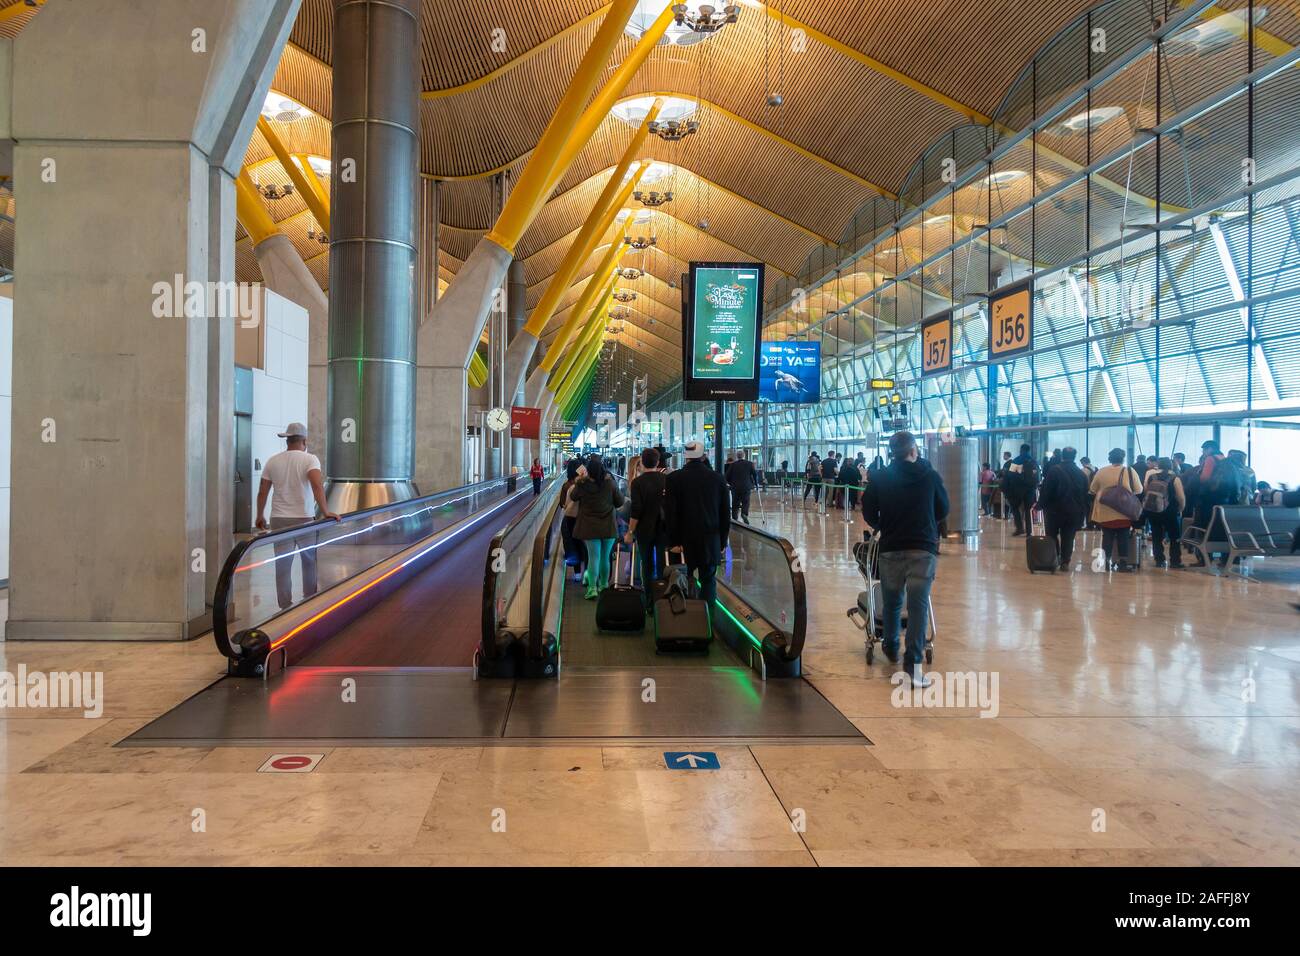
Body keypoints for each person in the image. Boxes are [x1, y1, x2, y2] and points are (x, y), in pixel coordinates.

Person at [860, 431, 949, 687]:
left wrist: (881, 524)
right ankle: (913, 666)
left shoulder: (881, 477)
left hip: (891, 546)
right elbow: (944, 509)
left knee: (892, 600)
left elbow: (867, 509)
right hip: (923, 548)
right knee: (919, 606)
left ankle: (890, 646)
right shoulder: (930, 476)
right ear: (913, 451)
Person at [255, 422, 340, 610]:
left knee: (283, 564)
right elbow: (317, 485)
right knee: (309, 560)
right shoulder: (310, 460)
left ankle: (285, 606)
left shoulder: (273, 460)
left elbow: (262, 491)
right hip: (304, 518)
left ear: (287, 440)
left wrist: (259, 515)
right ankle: (309, 602)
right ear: (304, 441)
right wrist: (326, 512)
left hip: (279, 518)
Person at [662, 440, 731, 605]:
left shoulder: (673, 479)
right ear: (703, 456)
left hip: (683, 541)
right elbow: (725, 514)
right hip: (710, 538)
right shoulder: (717, 479)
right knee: (708, 579)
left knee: (682, 576)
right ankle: (707, 619)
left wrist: (673, 541)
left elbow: (670, 513)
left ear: (685, 456)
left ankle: (683, 616)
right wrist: (722, 541)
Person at [570, 454, 623, 599]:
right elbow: (619, 502)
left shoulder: (582, 484)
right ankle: (604, 585)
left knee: (594, 557)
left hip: (589, 527)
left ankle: (592, 589)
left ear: (588, 471)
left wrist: (579, 479)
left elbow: (573, 497)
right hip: (608, 526)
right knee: (605, 557)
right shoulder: (610, 484)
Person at [624, 447, 670, 609]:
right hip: (663, 529)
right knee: (662, 565)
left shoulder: (638, 482)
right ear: (657, 462)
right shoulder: (666, 480)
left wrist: (630, 531)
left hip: (644, 530)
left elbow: (636, 510)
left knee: (647, 564)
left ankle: (649, 601)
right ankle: (663, 599)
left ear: (642, 462)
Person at [1089, 448, 1142, 572]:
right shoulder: (1129, 471)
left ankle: (1107, 562)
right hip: (1124, 510)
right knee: (1123, 536)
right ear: (1123, 458)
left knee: (1107, 536)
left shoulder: (1101, 472)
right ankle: (1123, 563)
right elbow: (1139, 489)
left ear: (1110, 458)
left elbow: (1093, 488)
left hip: (1105, 511)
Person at [1038, 446, 1089, 570]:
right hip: (1073, 511)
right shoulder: (1081, 474)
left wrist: (1040, 504)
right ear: (1075, 457)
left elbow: (1046, 490)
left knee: (1051, 534)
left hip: (1054, 510)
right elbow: (1085, 495)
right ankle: (1065, 561)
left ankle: (1054, 557)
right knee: (1068, 536)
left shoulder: (1054, 470)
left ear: (1062, 456)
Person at [1142, 456, 1186, 568]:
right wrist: (1181, 509)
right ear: (1170, 465)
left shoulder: (1152, 476)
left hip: (1153, 510)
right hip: (1170, 511)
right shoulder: (1175, 478)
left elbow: (1146, 490)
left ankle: (1159, 560)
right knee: (1174, 536)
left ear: (1159, 465)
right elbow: (1180, 497)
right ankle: (1175, 561)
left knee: (1156, 535)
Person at [559, 458, 587, 582]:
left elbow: (562, 504)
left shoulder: (567, 486)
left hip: (571, 518)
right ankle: (587, 572)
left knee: (573, 543)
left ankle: (577, 573)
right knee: (585, 545)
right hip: (585, 518)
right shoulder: (586, 485)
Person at [1002, 443, 1039, 536]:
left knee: (1015, 508)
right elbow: (1037, 476)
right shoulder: (1034, 461)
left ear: (1021, 450)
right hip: (1030, 490)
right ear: (1029, 450)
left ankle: (1019, 528)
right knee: (1028, 509)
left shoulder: (1017, 460)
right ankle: (1029, 531)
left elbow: (1010, 475)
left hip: (1017, 489)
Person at [724, 449, 758, 523]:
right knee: (746, 501)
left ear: (737, 456)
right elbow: (755, 475)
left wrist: (730, 483)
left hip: (735, 487)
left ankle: (734, 518)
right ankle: (744, 514)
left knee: (735, 502)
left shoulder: (733, 465)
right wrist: (756, 484)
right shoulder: (749, 464)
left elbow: (726, 476)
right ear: (744, 456)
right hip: (746, 486)